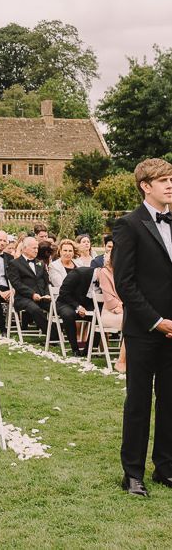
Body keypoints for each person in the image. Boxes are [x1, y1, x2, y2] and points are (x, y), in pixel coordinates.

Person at [113, 158, 172, 497]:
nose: (169, 185)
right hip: (144, 329)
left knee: (170, 401)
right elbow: (125, 282)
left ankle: (165, 467)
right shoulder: (129, 225)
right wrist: (156, 321)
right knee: (138, 402)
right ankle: (132, 473)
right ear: (145, 186)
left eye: (171, 179)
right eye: (162, 180)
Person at [7, 236, 51, 336]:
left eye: (37, 248)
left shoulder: (40, 263)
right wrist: (32, 294)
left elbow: (47, 282)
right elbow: (17, 284)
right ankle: (53, 335)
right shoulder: (14, 263)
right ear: (25, 248)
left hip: (42, 297)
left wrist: (48, 294)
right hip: (23, 298)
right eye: (34, 248)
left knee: (57, 308)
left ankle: (61, 332)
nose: (36, 251)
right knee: (35, 309)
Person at [97, 248, 126, 372]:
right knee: (132, 322)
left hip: (126, 309)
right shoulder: (104, 272)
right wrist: (123, 306)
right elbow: (109, 299)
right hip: (110, 313)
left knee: (139, 320)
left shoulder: (125, 272)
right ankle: (121, 361)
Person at [56, 266, 95, 356]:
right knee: (68, 315)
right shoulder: (79, 273)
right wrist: (78, 306)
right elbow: (63, 293)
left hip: (87, 304)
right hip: (66, 303)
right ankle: (75, 348)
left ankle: (88, 350)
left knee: (100, 316)